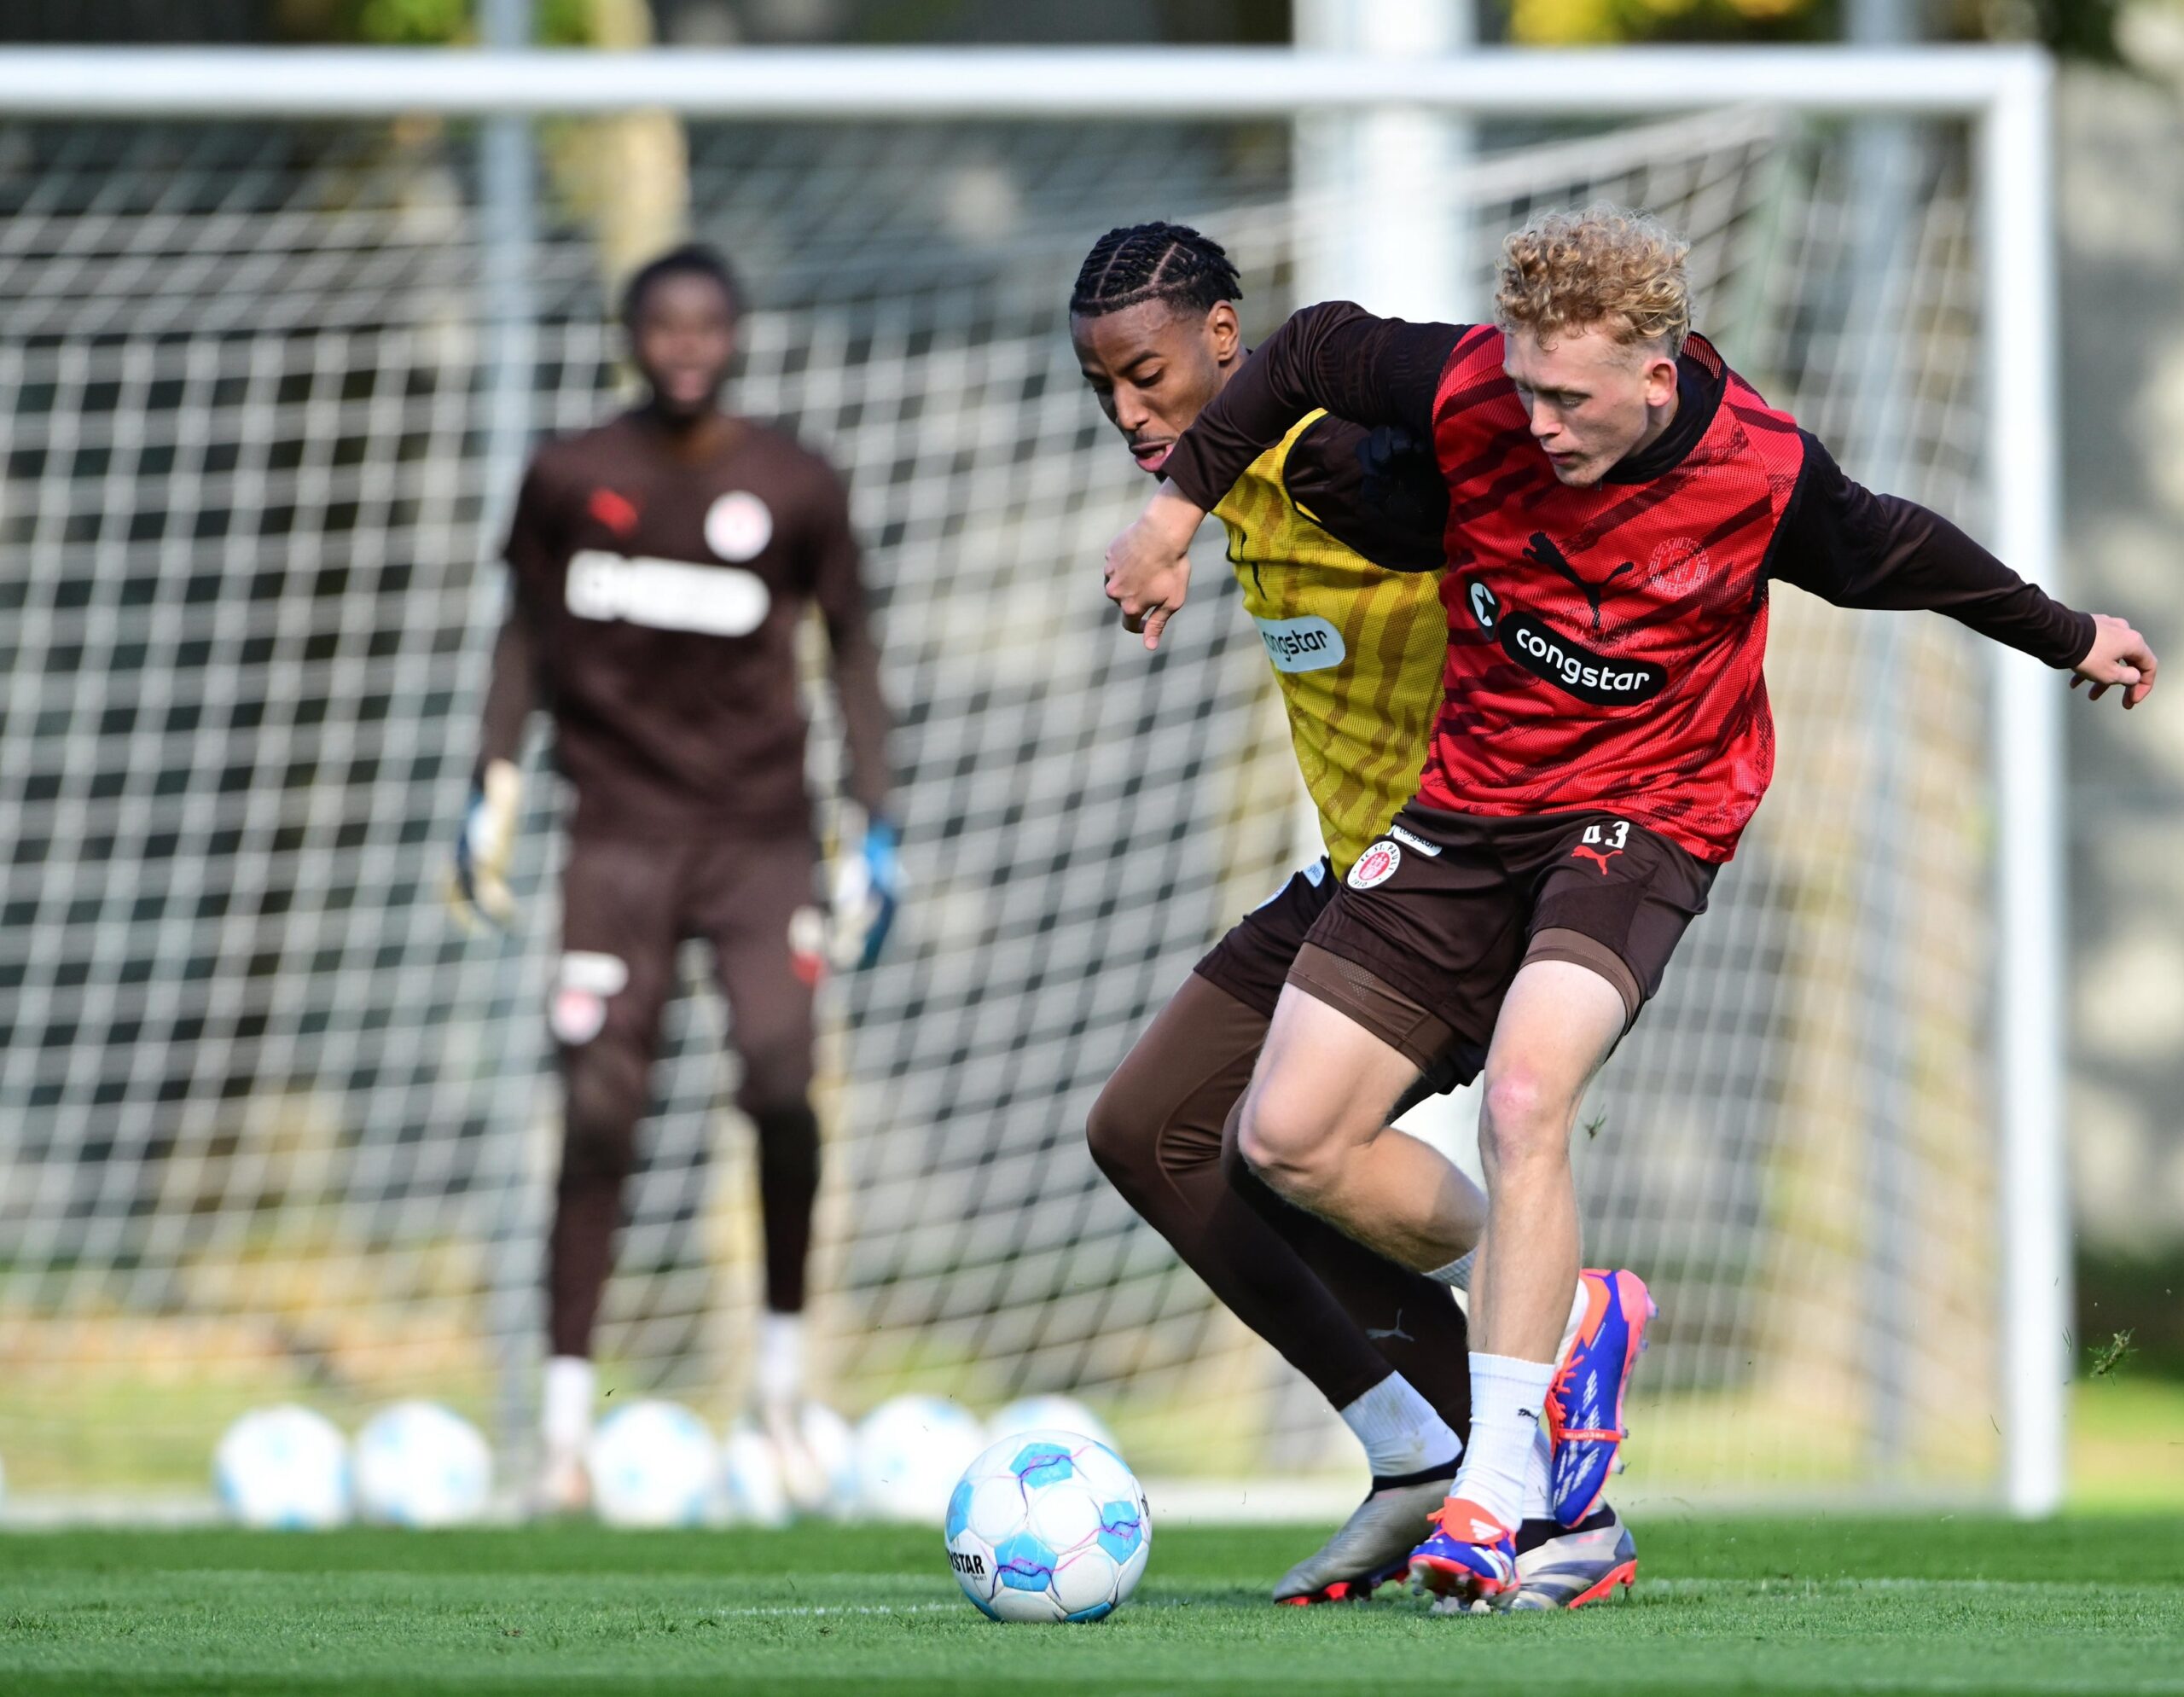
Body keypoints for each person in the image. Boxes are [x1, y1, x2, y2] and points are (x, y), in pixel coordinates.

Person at [1103, 205, 2157, 1608]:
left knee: (1530, 1097)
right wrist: (1174, 517)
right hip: (1468, 814)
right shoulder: (1472, 392)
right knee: (1279, 1138)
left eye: (1568, 395)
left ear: (1657, 378)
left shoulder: (1759, 470)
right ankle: (1558, 1323)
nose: (1534, 419)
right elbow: (1309, 350)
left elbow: (1898, 547)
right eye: (1521, 383)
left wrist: (2072, 630)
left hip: (1646, 817)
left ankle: (1492, 1493)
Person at [1072, 221, 1636, 1611]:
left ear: (1224, 337)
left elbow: (1485, 453)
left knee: (1290, 1140)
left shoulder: (1348, 455)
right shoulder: (1230, 483)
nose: (1132, 412)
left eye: (1149, 375)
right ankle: (1417, 1448)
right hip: (1351, 871)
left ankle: (1555, 1325)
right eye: (1104, 391)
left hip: (1468, 876)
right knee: (1151, 1129)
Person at [450, 242, 902, 1514]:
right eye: (663, 324)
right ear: (631, 336)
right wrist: (491, 776)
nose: (686, 344)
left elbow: (854, 648)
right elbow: (521, 637)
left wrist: (876, 818)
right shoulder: (568, 477)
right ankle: (559, 1427)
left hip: (760, 843)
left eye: (709, 322)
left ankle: (780, 1385)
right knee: (597, 1113)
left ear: (738, 332)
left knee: (778, 1078)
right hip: (616, 842)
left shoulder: (794, 483)